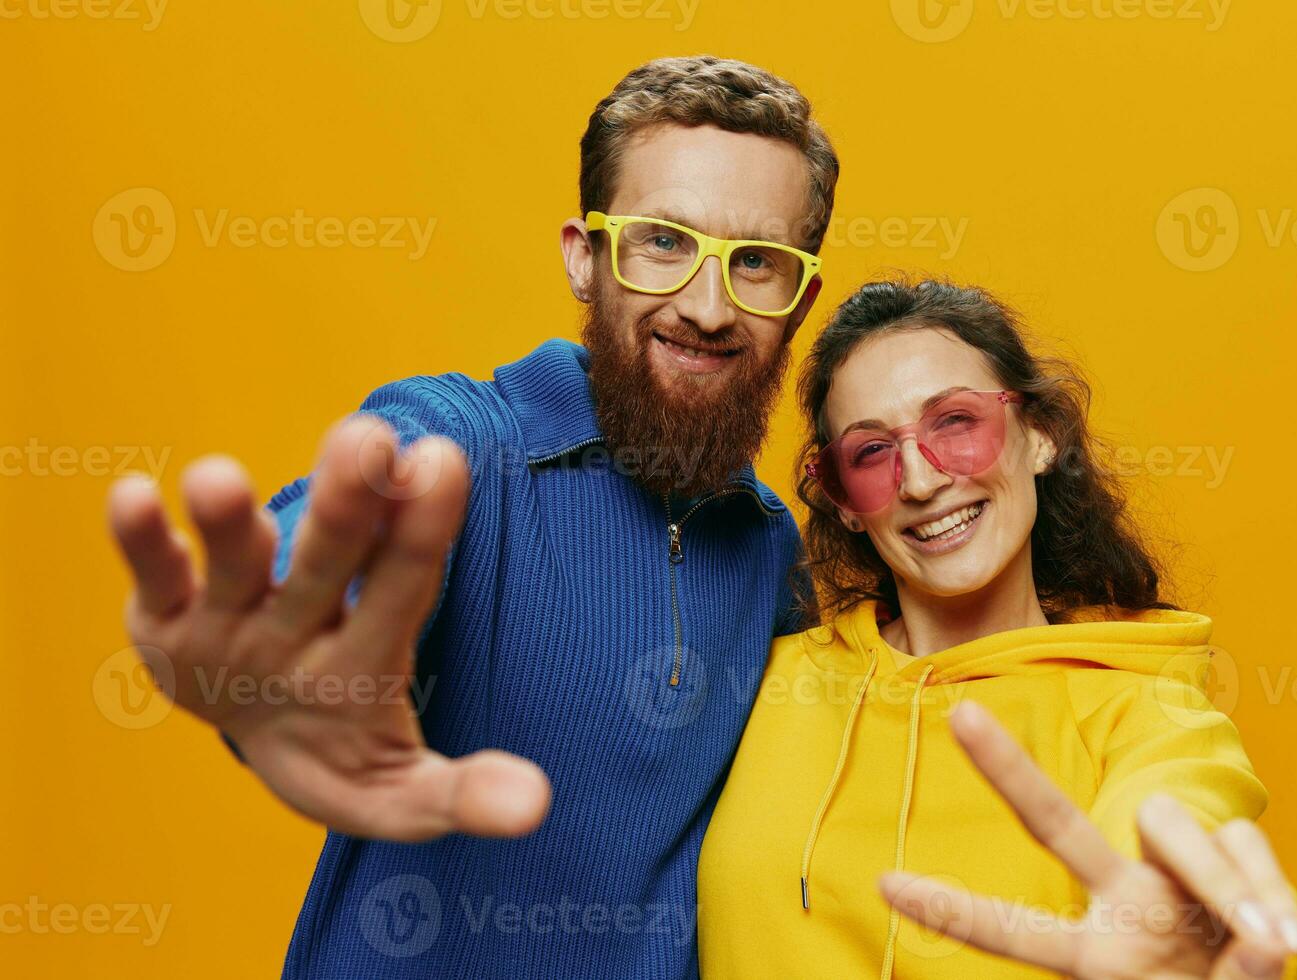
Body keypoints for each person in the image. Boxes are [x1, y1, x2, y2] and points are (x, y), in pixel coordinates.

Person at [106, 56, 836, 978]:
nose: (704, 304)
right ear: (585, 256)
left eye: (756, 263)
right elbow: (363, 519)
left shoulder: (772, 550)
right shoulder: (463, 446)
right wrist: (280, 648)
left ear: (800, 298)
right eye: (663, 241)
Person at [698, 279, 1297, 978]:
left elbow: (1186, 833)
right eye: (871, 452)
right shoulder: (760, 679)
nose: (919, 480)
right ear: (844, 501)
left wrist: (1206, 944)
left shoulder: (1149, 720)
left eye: (956, 423)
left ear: (1040, 436)